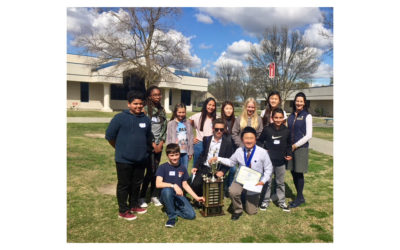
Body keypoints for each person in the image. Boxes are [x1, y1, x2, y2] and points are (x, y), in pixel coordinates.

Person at [209, 127, 273, 220]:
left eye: (251, 138)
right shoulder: (239, 151)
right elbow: (231, 162)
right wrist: (218, 159)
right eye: (246, 138)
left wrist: (262, 181)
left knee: (251, 212)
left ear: (255, 139)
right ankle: (237, 209)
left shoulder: (262, 152)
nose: (249, 141)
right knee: (233, 191)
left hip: (254, 181)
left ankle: (246, 198)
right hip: (241, 178)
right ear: (242, 139)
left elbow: (268, 169)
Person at [105, 91, 151, 221]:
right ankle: (123, 210)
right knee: (124, 185)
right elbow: (110, 136)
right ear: (129, 104)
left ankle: (134, 204)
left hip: (141, 159)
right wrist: (120, 148)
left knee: (137, 184)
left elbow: (147, 138)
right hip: (124, 159)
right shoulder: (119, 118)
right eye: (135, 104)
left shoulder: (146, 120)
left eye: (140, 104)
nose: (138, 106)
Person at [156, 143, 205, 228]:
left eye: (176, 155)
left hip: (178, 195)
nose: (174, 158)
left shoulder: (182, 168)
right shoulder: (162, 167)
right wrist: (173, 185)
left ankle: (171, 208)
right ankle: (172, 217)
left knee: (191, 215)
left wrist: (197, 198)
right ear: (167, 156)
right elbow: (158, 184)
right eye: (171, 155)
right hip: (166, 195)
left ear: (179, 154)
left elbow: (185, 185)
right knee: (167, 190)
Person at [190, 118, 236, 198]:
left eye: (221, 129)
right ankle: (201, 199)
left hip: (217, 170)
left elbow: (229, 161)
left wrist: (223, 171)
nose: (219, 131)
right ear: (213, 129)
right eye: (217, 129)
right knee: (195, 185)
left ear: (224, 130)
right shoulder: (206, 139)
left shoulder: (228, 143)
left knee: (213, 192)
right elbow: (203, 154)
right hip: (205, 166)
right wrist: (196, 167)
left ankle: (209, 198)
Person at [257, 108, 292, 212]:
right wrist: (264, 150)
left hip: (281, 162)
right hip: (268, 162)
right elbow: (259, 142)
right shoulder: (267, 129)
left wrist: (289, 154)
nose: (278, 119)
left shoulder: (286, 131)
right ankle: (265, 201)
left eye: (280, 118)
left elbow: (289, 145)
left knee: (280, 182)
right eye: (276, 117)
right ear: (272, 118)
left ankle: (281, 202)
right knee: (267, 182)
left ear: (283, 118)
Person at [138, 85, 167, 208]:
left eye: (159, 94)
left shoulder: (162, 110)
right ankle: (142, 196)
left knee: (156, 171)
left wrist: (161, 142)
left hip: (159, 146)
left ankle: (154, 195)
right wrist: (152, 143)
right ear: (149, 96)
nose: (158, 96)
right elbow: (144, 130)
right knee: (150, 171)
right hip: (148, 145)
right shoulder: (144, 109)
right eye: (155, 95)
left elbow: (164, 128)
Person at [287, 92, 312, 208]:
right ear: (294, 102)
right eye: (297, 101)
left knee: (299, 173)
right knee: (293, 172)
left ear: (304, 102)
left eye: (301, 101)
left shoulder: (307, 116)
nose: (299, 103)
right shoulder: (291, 116)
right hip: (291, 148)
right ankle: (300, 197)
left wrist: (295, 145)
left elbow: (308, 135)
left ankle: (299, 197)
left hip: (300, 148)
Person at [189, 97, 217, 167]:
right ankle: (194, 177)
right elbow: (186, 126)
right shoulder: (197, 116)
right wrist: (190, 138)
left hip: (212, 144)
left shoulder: (217, 118)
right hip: (200, 143)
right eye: (209, 104)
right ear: (205, 105)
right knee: (197, 164)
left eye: (213, 105)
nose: (211, 107)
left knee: (209, 164)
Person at [166, 103, 194, 169]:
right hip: (174, 152)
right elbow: (168, 138)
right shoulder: (171, 123)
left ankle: (183, 179)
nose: (181, 114)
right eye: (179, 112)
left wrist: (190, 152)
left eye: (183, 112)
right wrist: (169, 151)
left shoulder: (188, 123)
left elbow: (191, 137)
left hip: (185, 152)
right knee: (174, 169)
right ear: (175, 112)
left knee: (184, 169)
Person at [220, 101, 237, 196]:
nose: (229, 110)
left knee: (233, 169)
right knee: (220, 169)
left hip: (233, 150)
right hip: (222, 150)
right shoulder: (220, 121)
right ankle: (219, 187)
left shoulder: (236, 121)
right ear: (223, 109)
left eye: (230, 108)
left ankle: (229, 187)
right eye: (227, 108)